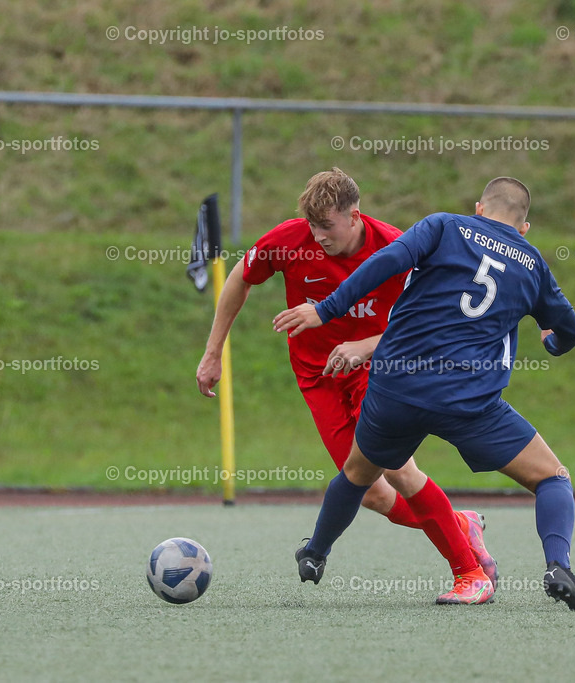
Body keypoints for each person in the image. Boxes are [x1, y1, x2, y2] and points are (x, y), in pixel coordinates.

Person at [274, 176, 575, 611]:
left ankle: (315, 552)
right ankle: (558, 566)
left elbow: (385, 262)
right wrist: (552, 343)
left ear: (479, 209)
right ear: (524, 228)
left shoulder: (444, 225)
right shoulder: (533, 265)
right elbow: (570, 331)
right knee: (551, 477)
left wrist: (325, 309)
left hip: (395, 390)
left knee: (357, 474)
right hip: (469, 403)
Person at [196, 168, 498, 605]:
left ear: (355, 215)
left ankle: (469, 573)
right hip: (316, 378)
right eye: (313, 225)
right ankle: (460, 522)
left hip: (379, 370)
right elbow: (239, 278)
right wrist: (212, 352)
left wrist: (367, 345)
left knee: (396, 468)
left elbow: (432, 324)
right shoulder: (290, 239)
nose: (318, 236)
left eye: (328, 226)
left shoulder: (397, 247)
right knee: (372, 493)